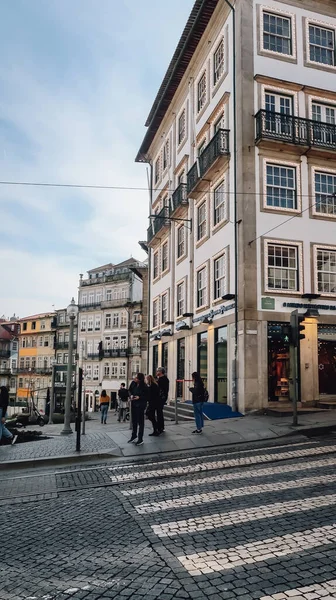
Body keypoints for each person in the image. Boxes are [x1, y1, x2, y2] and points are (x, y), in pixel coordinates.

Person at [128, 373, 148, 446]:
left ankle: (140, 438)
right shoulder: (133, 383)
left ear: (139, 379)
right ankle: (134, 435)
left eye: (136, 378)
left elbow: (146, 396)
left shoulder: (144, 386)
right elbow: (129, 390)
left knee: (140, 422)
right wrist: (131, 396)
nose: (134, 379)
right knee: (134, 421)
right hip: (134, 404)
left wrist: (139, 397)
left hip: (140, 405)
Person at [156, 367, 169, 434]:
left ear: (161, 372)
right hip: (161, 397)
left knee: (159, 412)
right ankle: (161, 426)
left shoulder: (163, 379)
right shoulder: (161, 379)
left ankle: (160, 427)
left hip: (161, 397)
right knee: (159, 412)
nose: (156, 372)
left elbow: (161, 389)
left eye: (157, 371)